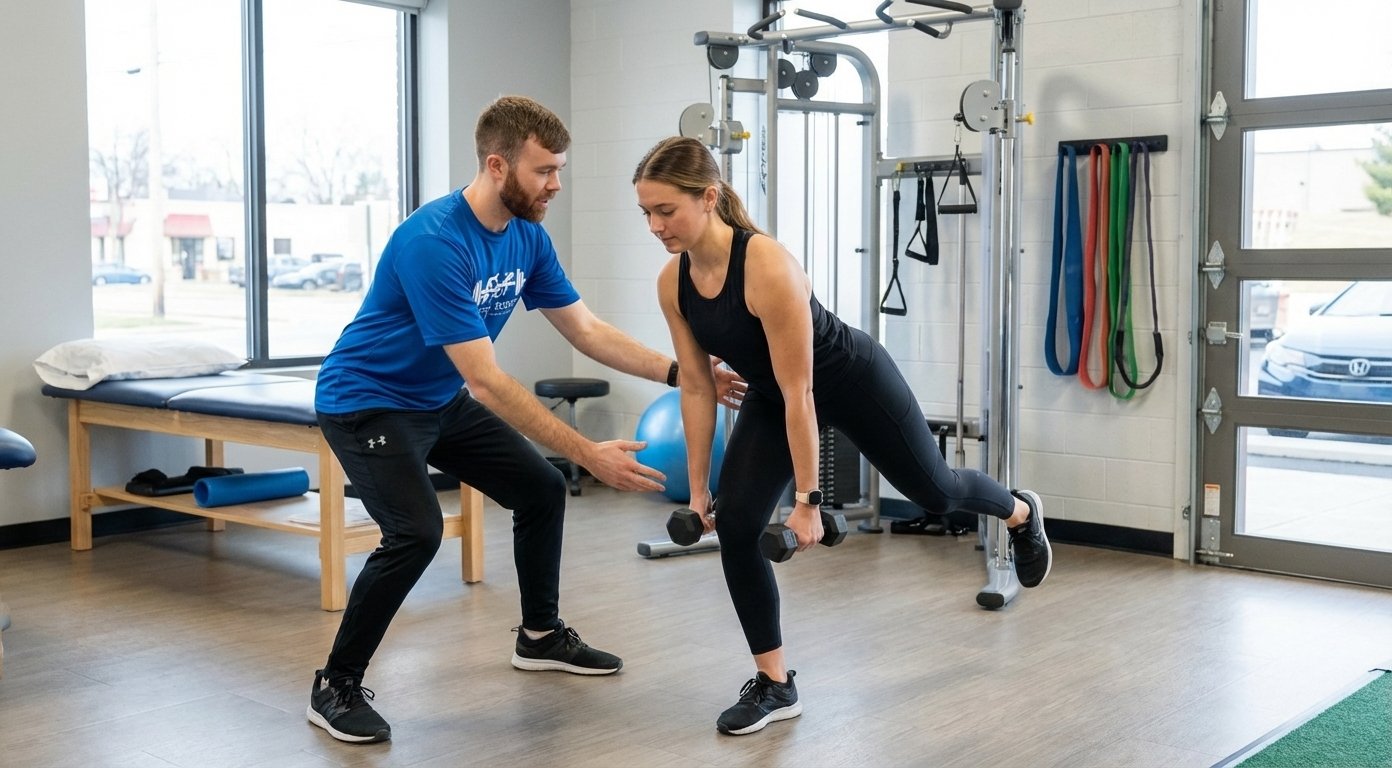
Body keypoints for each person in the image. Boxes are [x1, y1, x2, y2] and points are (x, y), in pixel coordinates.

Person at [306, 97, 742, 745]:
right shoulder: (434, 243)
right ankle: (334, 685)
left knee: (540, 489)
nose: (556, 184)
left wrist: (683, 373)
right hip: (368, 400)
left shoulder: (527, 238)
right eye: (544, 171)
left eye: (558, 169)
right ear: (497, 165)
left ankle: (539, 636)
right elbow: (486, 381)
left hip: (436, 397)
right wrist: (588, 453)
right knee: (416, 532)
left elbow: (587, 330)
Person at [632, 136, 1053, 736]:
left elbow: (803, 391)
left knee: (935, 492)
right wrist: (699, 493)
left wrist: (808, 502)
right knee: (738, 526)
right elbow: (698, 389)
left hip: (850, 380)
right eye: (646, 212)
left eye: (665, 210)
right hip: (775, 395)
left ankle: (1019, 511)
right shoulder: (672, 283)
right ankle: (775, 683)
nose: (655, 226)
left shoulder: (766, 265)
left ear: (708, 197)